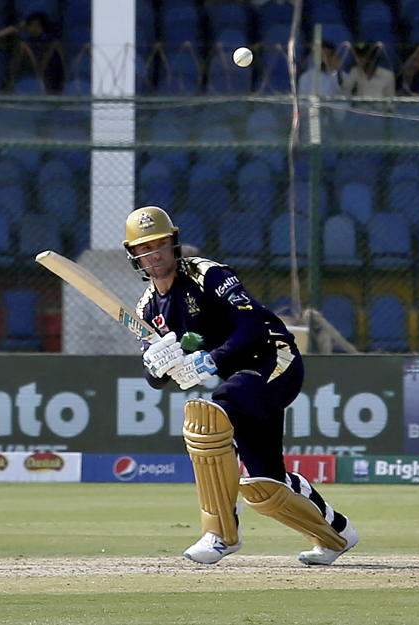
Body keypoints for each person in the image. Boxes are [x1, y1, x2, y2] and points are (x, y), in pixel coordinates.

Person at [124, 205, 358, 565]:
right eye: (144, 248)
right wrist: (156, 366)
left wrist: (210, 360)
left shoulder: (207, 274)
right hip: (241, 380)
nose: (153, 254)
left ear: (173, 243)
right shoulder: (148, 308)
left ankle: (220, 532)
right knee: (268, 485)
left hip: (274, 360)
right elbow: (154, 380)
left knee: (212, 414)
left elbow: (252, 328)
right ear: (134, 255)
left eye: (159, 244)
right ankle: (336, 533)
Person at [0, 11, 64, 93]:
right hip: (25, 81)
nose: (33, 28)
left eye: (37, 25)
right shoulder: (24, 44)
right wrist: (16, 28)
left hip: (49, 84)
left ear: (43, 27)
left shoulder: (51, 44)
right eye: (30, 25)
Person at [342, 41, 395, 110]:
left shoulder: (387, 75)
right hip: (359, 115)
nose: (359, 60)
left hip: (379, 115)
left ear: (372, 58)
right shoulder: (355, 71)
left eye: (363, 56)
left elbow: (391, 103)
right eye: (358, 56)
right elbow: (344, 91)